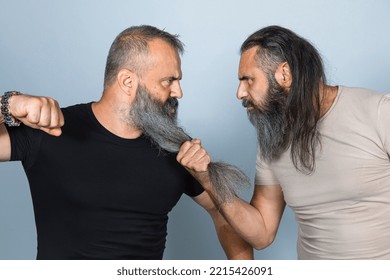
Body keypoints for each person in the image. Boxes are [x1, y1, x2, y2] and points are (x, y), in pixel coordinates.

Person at [0, 25, 252, 260]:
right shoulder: (49, 128)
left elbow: (224, 212)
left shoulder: (177, 148)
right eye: (169, 81)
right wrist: (8, 105)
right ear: (128, 82)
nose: (178, 92)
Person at [194, 25, 390, 259]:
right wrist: (209, 180)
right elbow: (262, 233)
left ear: (284, 74)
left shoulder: (379, 111)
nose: (240, 93)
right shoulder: (272, 139)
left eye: (248, 80)